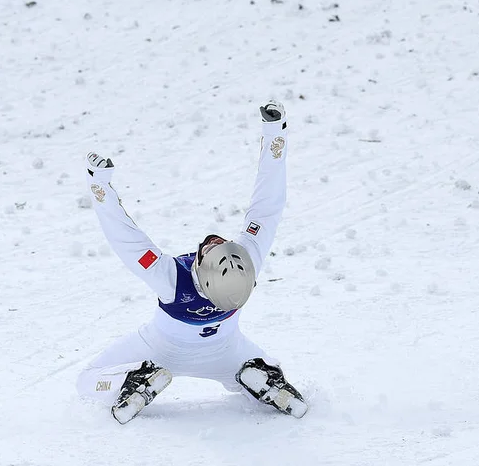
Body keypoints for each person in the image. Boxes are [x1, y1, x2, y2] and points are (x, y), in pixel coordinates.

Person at [76, 100, 307, 424]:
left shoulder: (171, 278)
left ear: (200, 269)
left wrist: (99, 184)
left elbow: (125, 238)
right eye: (222, 244)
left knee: (87, 381)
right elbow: (268, 205)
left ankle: (132, 382)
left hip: (160, 351)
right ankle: (262, 378)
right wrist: (275, 134)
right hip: (228, 353)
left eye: (211, 250)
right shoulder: (249, 257)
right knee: (261, 367)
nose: (216, 241)